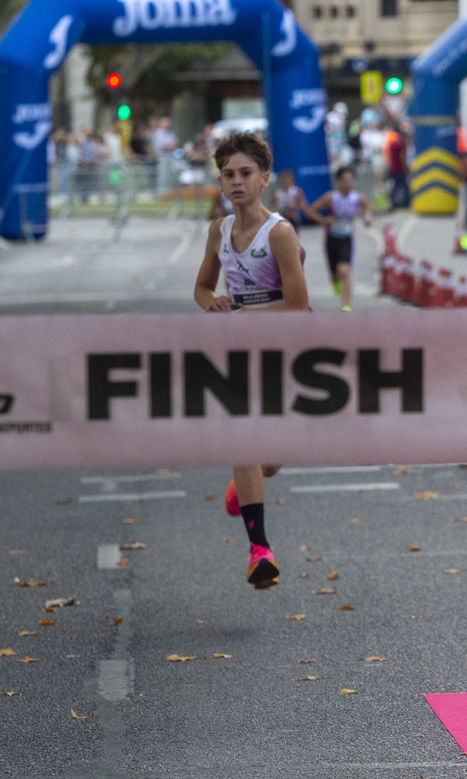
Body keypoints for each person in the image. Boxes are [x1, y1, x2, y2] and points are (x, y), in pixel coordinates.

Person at [192, 131, 309, 590]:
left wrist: (246, 314)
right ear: (220, 181)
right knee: (243, 435)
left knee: (272, 459)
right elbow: (202, 287)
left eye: (245, 174)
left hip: (286, 346)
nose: (236, 182)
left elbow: (299, 308)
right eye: (228, 174)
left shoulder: (278, 233)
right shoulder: (218, 230)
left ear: (264, 179)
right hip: (240, 347)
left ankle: (246, 485)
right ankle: (260, 550)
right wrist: (213, 304)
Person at [306, 164, 372, 311]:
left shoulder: (357, 197)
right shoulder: (331, 198)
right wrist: (323, 221)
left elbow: (367, 205)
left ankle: (346, 305)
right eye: (344, 180)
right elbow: (310, 210)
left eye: (350, 180)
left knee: (345, 271)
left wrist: (367, 217)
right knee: (335, 275)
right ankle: (336, 283)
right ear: (338, 182)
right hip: (331, 240)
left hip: (346, 239)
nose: (348, 183)